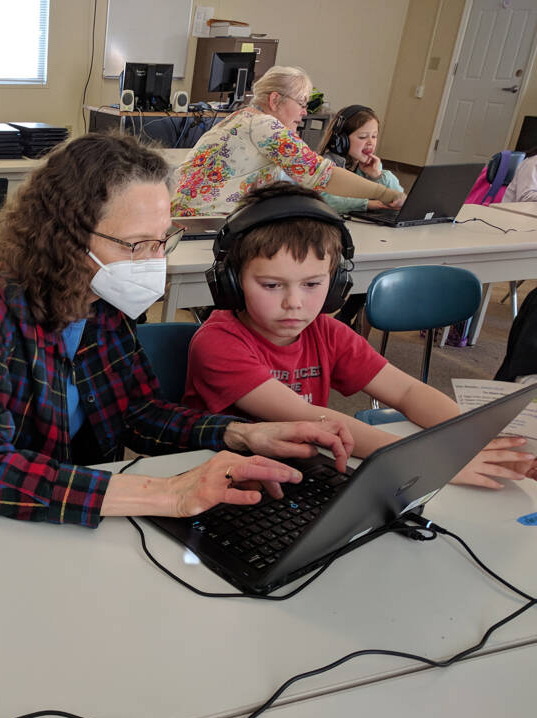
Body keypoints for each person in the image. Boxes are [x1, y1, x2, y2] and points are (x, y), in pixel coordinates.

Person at [0, 133, 357, 527]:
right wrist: (165, 493)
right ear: (67, 236)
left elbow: (136, 413)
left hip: (54, 499)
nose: (153, 263)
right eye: (136, 244)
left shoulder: (105, 297)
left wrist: (240, 435)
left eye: (162, 241)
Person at [183, 183, 537, 488]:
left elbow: (408, 391)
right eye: (272, 285)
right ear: (230, 284)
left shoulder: (328, 333)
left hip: (302, 473)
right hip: (225, 480)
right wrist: (433, 460)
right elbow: (313, 419)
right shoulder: (219, 343)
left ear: (337, 284)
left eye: (312, 284)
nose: (294, 303)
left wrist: (478, 440)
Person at [171, 66, 405, 217]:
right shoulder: (265, 126)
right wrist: (386, 195)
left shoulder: (241, 119)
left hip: (188, 219)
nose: (305, 113)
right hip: (203, 224)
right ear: (275, 100)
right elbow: (321, 175)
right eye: (302, 103)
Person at [317, 104, 404, 326]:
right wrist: (370, 203)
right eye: (363, 136)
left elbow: (398, 198)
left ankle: (346, 319)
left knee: (382, 265)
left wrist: (379, 175)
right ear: (342, 140)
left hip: (362, 235)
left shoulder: (365, 166)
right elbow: (328, 198)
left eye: (374, 136)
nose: (370, 143)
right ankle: (341, 319)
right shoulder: (327, 164)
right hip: (328, 240)